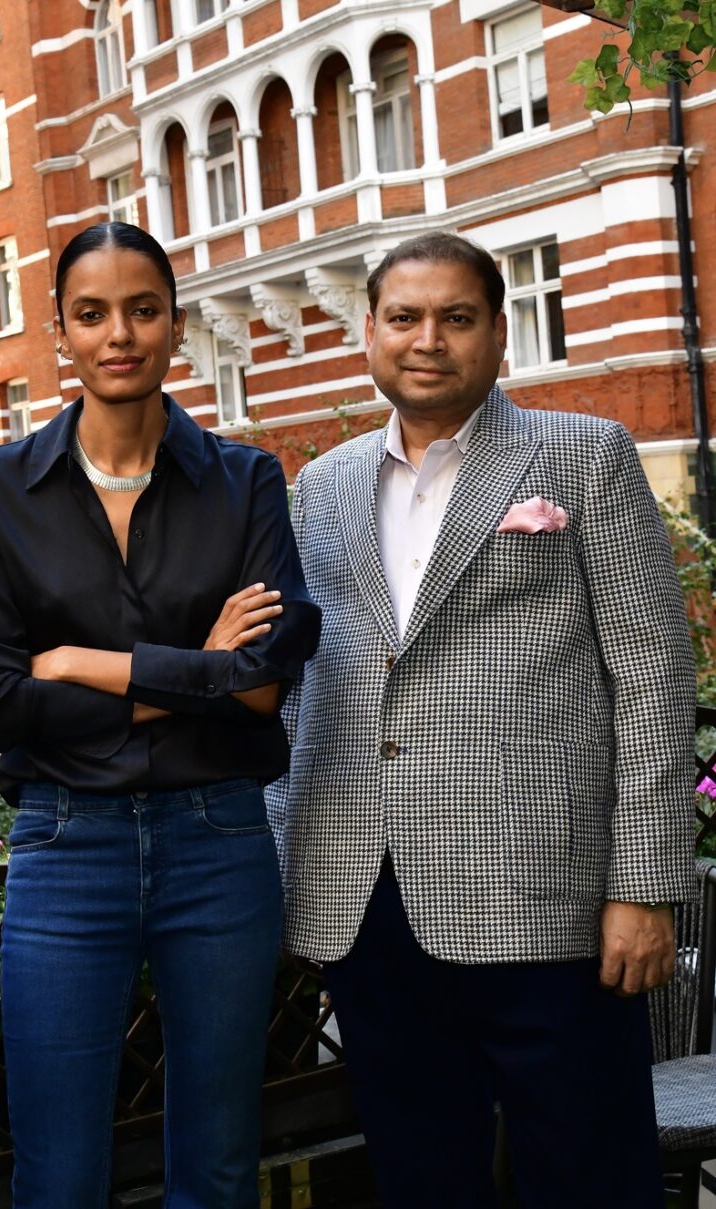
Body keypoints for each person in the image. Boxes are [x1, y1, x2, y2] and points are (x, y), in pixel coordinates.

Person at [266, 232, 696, 1208]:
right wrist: (294, 852)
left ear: (499, 332)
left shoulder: (585, 455)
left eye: (456, 318)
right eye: (405, 318)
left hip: (554, 904)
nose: (429, 340)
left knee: (589, 1177)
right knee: (422, 1178)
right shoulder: (322, 486)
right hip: (371, 904)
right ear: (369, 331)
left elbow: (651, 676)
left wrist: (646, 884)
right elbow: (309, 688)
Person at [0, 221, 320, 1209]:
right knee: (58, 1174)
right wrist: (196, 666)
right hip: (68, 846)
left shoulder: (244, 481)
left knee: (219, 1164)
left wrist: (89, 667)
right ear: (60, 333)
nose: (121, 333)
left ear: (175, 323)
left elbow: (267, 680)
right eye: (92, 313)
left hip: (220, 840)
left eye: (143, 309)